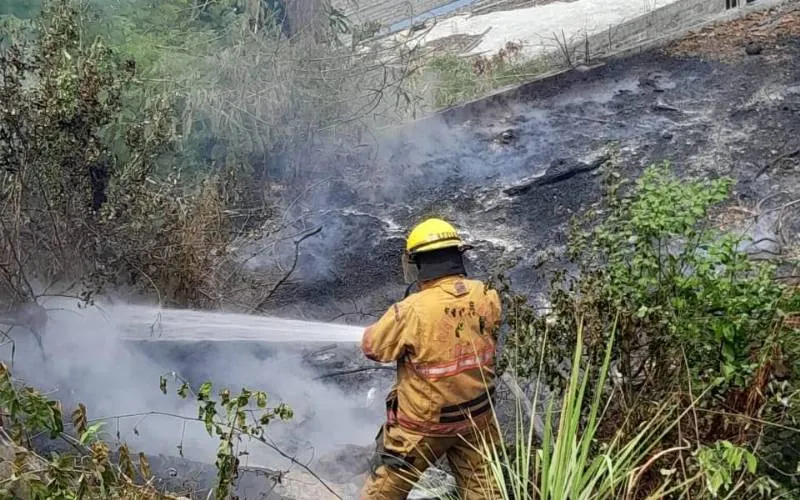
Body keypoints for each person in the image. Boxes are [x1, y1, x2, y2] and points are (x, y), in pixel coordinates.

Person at [360, 218, 503, 500]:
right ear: (457, 256)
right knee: (486, 493)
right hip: (477, 421)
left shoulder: (410, 310)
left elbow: (374, 348)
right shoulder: (487, 295)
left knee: (381, 495)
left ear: (417, 263)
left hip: (422, 428)